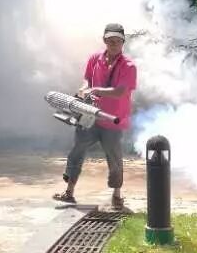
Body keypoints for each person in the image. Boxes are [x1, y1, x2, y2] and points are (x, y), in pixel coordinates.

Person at [53, 23, 137, 211]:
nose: (113, 43)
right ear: (104, 40)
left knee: (114, 158)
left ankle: (116, 196)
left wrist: (97, 90)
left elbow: (120, 91)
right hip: (90, 115)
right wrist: (84, 89)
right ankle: (69, 192)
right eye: (110, 40)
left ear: (123, 42)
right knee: (77, 150)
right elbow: (87, 80)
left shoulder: (129, 66)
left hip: (113, 119)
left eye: (117, 40)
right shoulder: (94, 59)